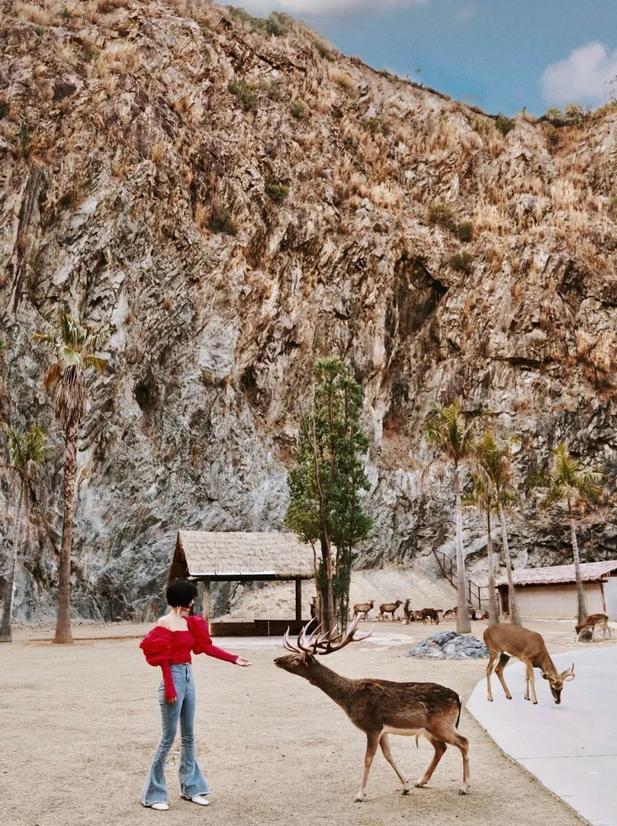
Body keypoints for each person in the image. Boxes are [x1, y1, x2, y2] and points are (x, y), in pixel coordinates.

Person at [139, 578, 250, 810]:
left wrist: (233, 658)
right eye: (189, 598)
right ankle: (154, 794)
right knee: (168, 738)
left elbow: (204, 647)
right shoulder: (165, 622)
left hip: (189, 678)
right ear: (180, 600)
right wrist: (170, 687)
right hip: (174, 678)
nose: (192, 602)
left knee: (189, 736)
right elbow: (162, 660)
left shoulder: (190, 623)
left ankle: (191, 788)